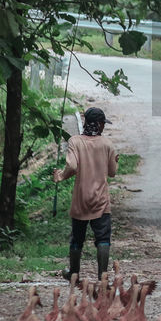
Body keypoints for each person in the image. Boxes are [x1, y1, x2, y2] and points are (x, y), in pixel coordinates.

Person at [53, 106, 118, 281]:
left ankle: (74, 273)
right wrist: (114, 161)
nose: (104, 126)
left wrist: (60, 176)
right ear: (99, 124)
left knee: (77, 238)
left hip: (80, 199)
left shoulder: (75, 141)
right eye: (103, 123)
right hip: (101, 200)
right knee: (103, 238)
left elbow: (73, 166)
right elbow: (112, 172)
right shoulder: (107, 144)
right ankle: (102, 275)